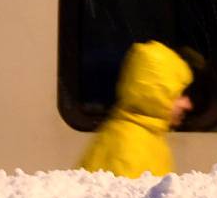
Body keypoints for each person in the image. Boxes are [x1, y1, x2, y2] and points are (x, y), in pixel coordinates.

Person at [77, 41, 195, 178]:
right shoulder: (129, 147)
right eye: (178, 95)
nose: (187, 104)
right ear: (156, 97)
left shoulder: (146, 138)